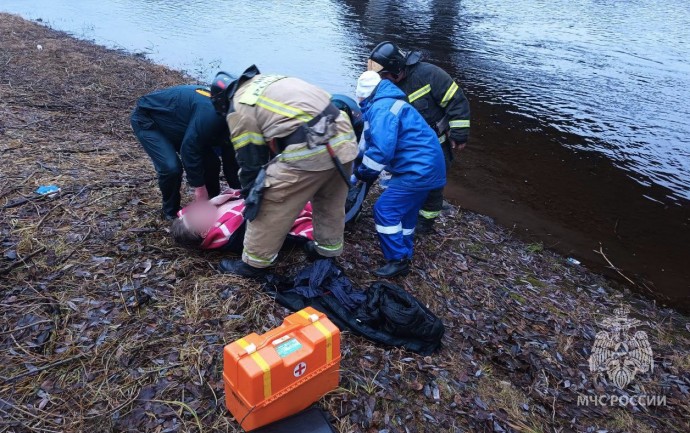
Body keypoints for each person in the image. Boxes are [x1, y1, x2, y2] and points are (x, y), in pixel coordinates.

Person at [210, 65, 358, 278]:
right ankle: (325, 253)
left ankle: (253, 264)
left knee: (271, 202)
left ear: (221, 101)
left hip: (310, 148)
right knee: (330, 202)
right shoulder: (269, 80)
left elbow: (250, 160)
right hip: (344, 138)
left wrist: (252, 193)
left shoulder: (240, 107)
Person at [368, 41, 470, 234]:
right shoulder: (386, 86)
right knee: (406, 178)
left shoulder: (431, 75)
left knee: (433, 185)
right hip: (406, 146)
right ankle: (408, 207)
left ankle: (426, 221)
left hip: (436, 145)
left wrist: (459, 134)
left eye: (386, 76)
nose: (384, 81)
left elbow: (457, 103)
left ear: (397, 69)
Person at [355, 71, 446, 278]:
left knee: (384, 210)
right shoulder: (392, 103)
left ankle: (397, 260)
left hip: (417, 170)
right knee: (407, 212)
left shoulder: (381, 108)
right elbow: (374, 143)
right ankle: (405, 252)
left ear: (364, 95)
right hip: (430, 167)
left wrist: (362, 174)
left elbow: (381, 150)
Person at [131, 85, 240, 220]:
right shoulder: (213, 115)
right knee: (171, 168)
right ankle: (170, 212)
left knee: (211, 163)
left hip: (181, 124)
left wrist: (240, 193)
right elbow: (189, 149)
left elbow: (231, 163)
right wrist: (199, 188)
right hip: (149, 119)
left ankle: (212, 203)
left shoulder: (237, 124)